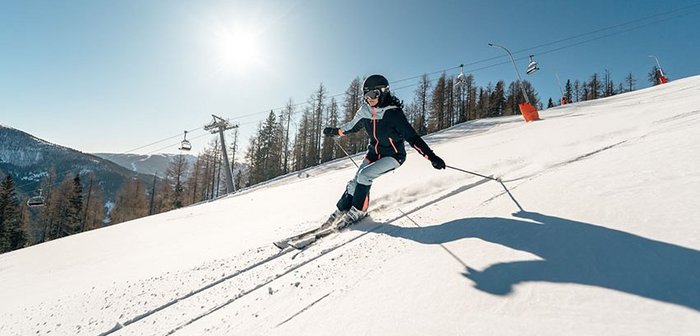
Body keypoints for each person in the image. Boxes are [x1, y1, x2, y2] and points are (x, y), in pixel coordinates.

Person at [322, 74, 446, 227]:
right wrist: (335, 131)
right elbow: (352, 126)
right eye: (366, 95)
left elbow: (412, 138)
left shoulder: (394, 114)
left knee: (364, 175)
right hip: (373, 153)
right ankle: (342, 209)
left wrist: (431, 157)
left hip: (393, 156)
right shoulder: (365, 111)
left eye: (373, 94)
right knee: (354, 183)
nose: (369, 99)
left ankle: (360, 210)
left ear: (383, 92)